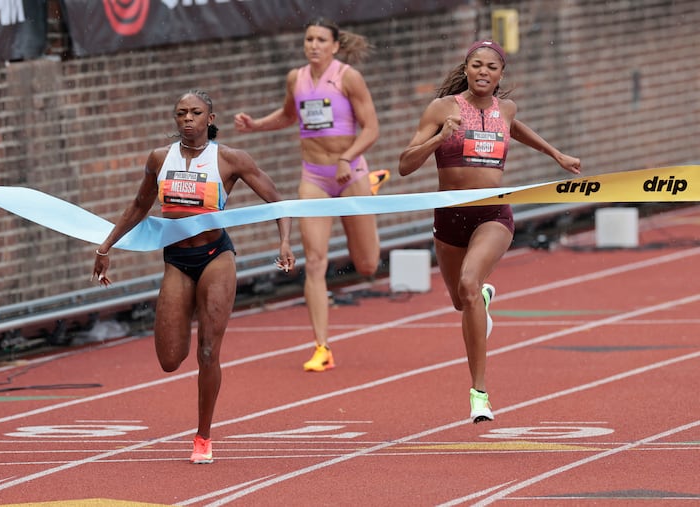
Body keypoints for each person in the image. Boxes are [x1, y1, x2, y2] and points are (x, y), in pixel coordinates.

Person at [92, 90, 295, 463]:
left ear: (210, 118)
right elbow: (140, 205)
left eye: (195, 113)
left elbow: (278, 200)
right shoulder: (159, 158)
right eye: (181, 113)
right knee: (170, 359)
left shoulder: (230, 159)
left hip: (216, 256)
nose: (187, 119)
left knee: (207, 351)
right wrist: (106, 247)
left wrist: (284, 241)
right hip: (177, 259)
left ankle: (203, 436)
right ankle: (183, 316)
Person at [398, 40, 581, 423]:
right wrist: (439, 137)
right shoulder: (442, 109)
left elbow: (516, 127)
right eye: (477, 65)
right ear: (466, 69)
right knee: (460, 300)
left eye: (491, 67)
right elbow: (404, 165)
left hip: (493, 216)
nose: (484, 72)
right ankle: (480, 295)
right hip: (449, 218)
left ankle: (479, 392)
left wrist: (556, 154)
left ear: (500, 74)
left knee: (466, 283)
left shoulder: (506, 109)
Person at [234, 18, 385, 372]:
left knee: (366, 265)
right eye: (309, 39)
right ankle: (322, 347)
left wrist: (348, 157)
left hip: (351, 175)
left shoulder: (348, 77)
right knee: (315, 262)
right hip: (314, 178)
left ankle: (373, 183)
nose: (313, 45)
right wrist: (257, 124)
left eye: (320, 40)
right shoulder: (296, 78)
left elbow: (372, 127)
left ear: (334, 46)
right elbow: (289, 115)